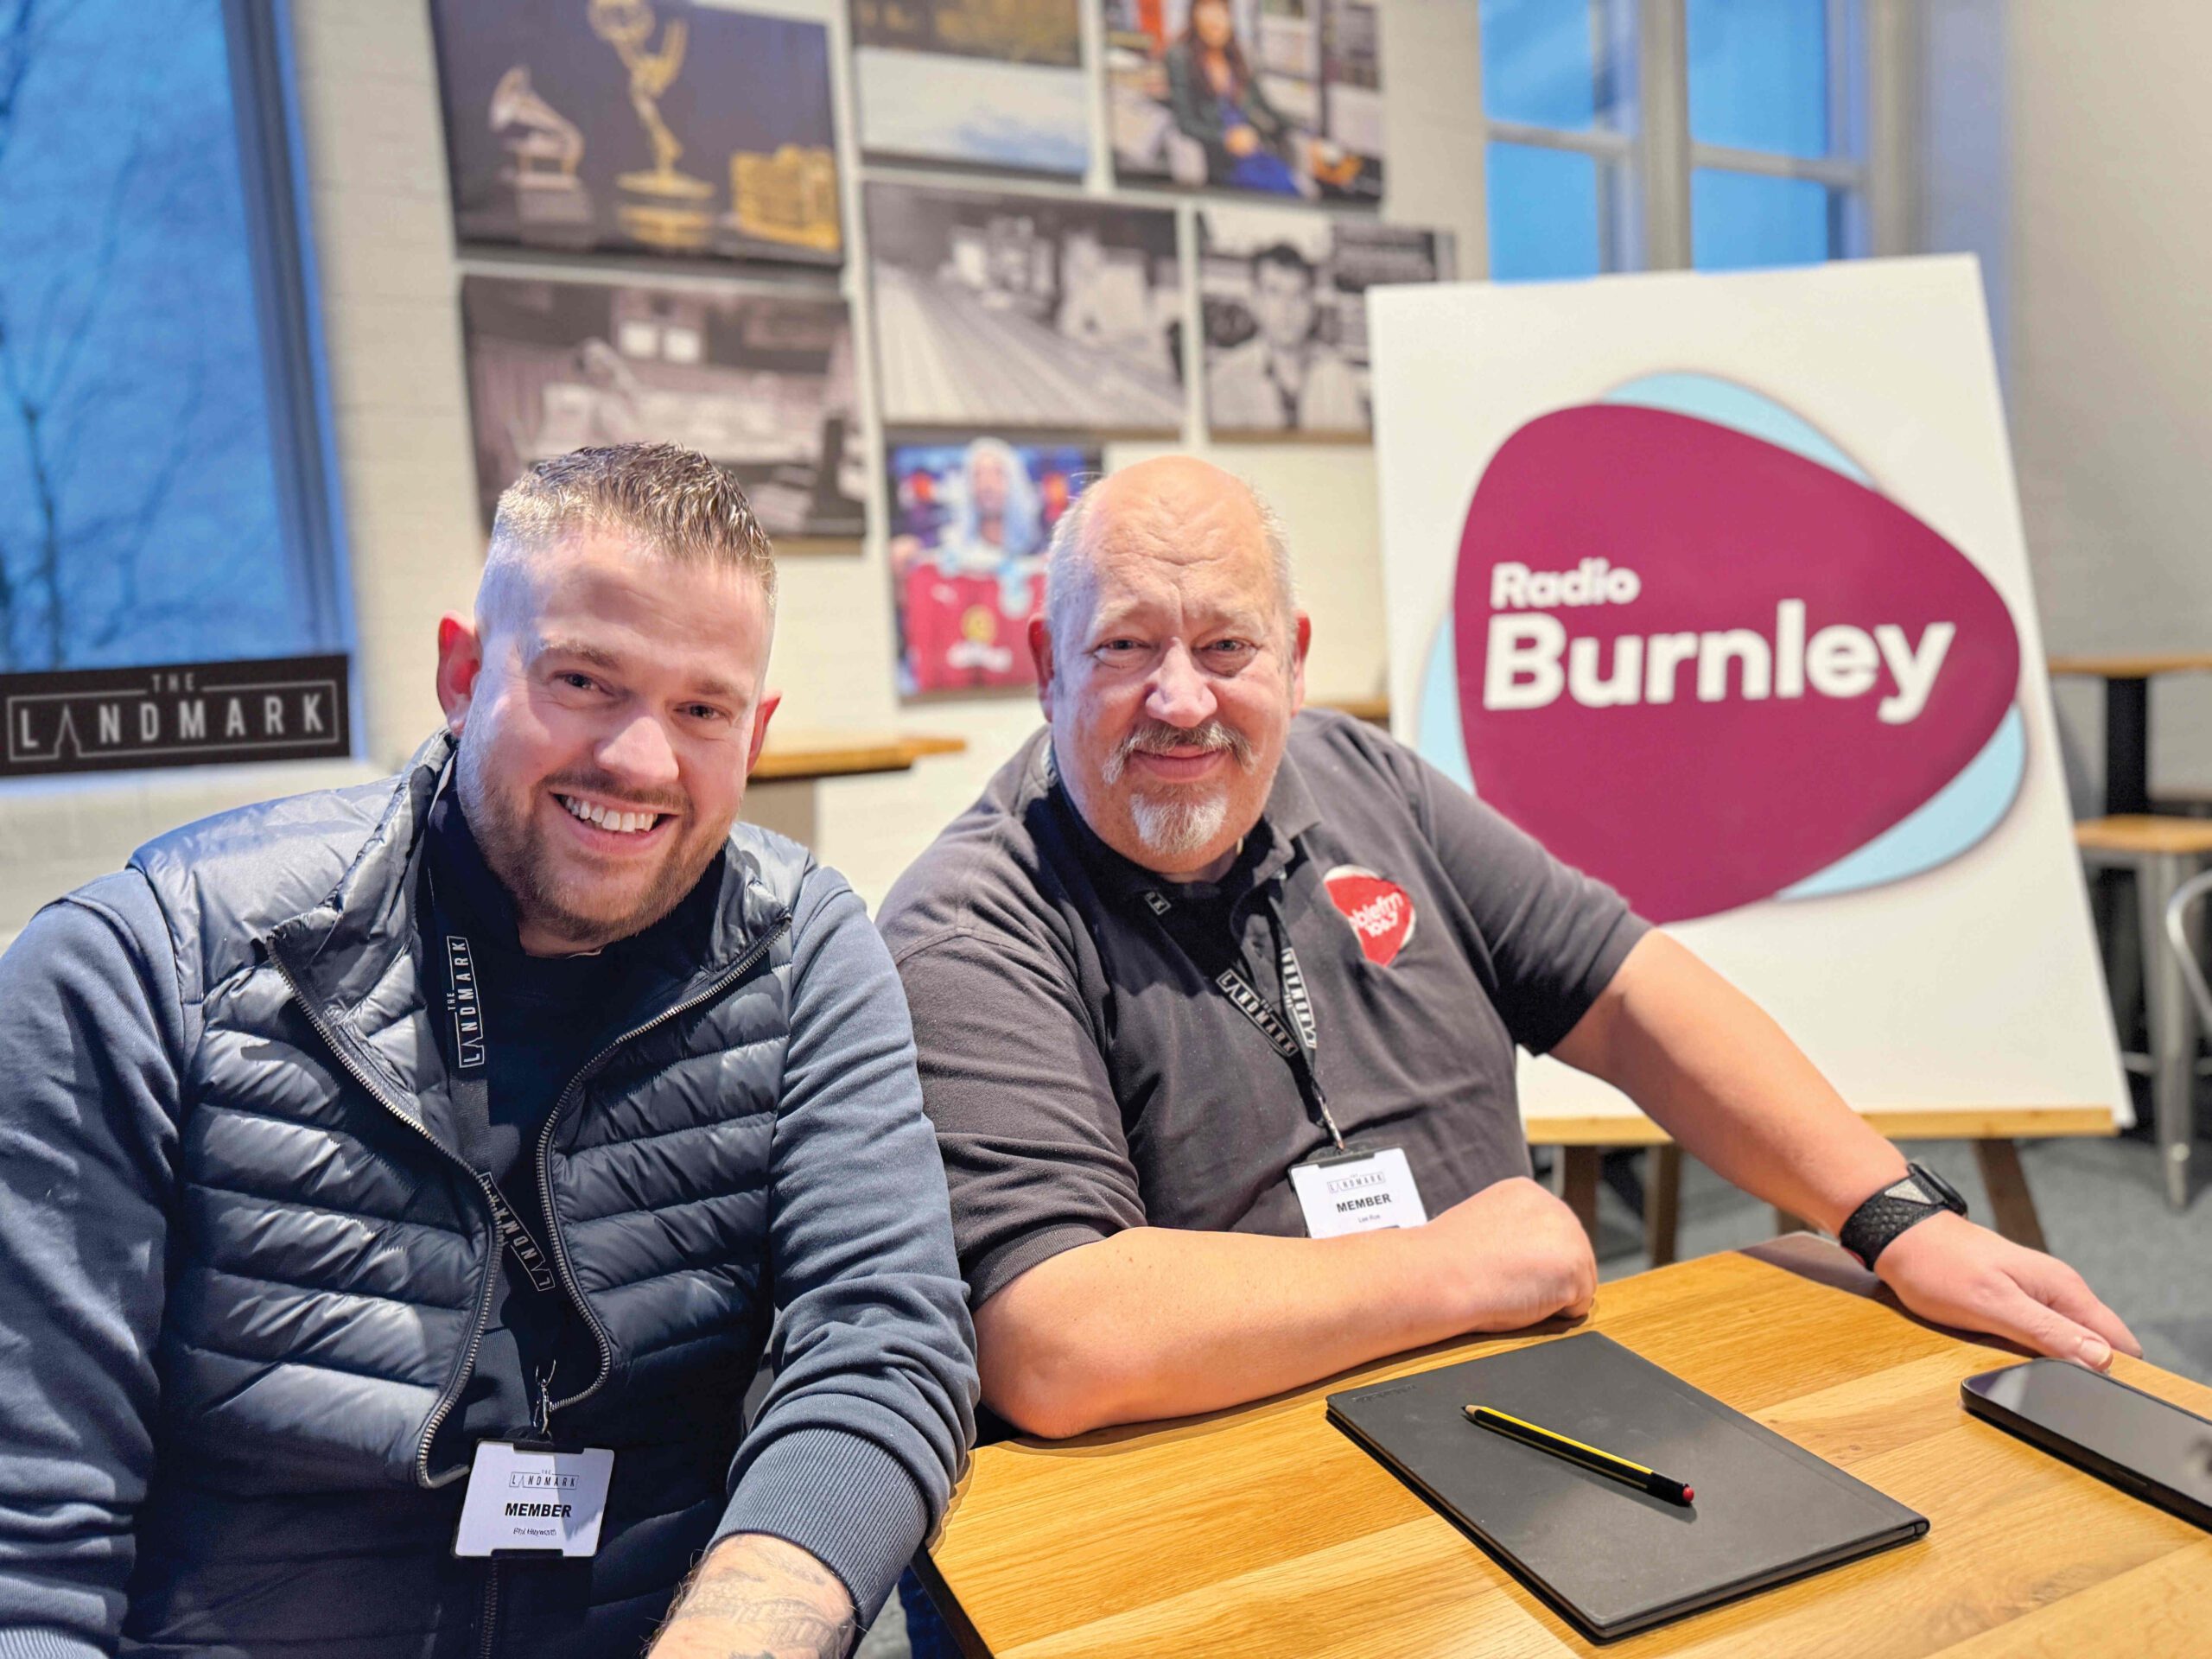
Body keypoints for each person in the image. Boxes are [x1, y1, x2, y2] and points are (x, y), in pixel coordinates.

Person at [874, 454, 2140, 1442]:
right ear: (1046, 665)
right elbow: (1057, 1336)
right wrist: (1453, 1270)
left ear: (1295, 660)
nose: (1182, 699)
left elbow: (1627, 991)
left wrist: (1895, 1217)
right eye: (1124, 646)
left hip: (1521, 1407)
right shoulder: (971, 919)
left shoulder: (1365, 780)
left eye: (1226, 646)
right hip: (1229, 1469)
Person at [0, 443, 976, 1654]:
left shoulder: (803, 949)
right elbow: (28, 1543)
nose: (640, 760)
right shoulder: (142, 969)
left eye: (702, 710)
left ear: (755, 733)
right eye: (583, 680)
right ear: (463, 675)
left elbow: (883, 1346)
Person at [896, 437, 1052, 693]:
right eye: (978, 474)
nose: (987, 484)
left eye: (997, 473)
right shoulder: (945, 558)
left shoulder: (1039, 557)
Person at [1206, 242, 1366, 433]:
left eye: (1298, 295)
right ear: (1254, 302)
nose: (1286, 308)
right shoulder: (1225, 381)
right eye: (1274, 293)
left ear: (1312, 305)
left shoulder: (1338, 378)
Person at [1163, 0, 1300, 194]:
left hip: (1255, 152)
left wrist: (1303, 131)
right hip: (1221, 160)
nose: (1216, 20)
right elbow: (1185, 123)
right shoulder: (1180, 57)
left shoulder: (1238, 59)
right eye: (1207, 13)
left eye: (1222, 13)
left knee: (1287, 187)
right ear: (1194, 19)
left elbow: (1267, 109)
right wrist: (1225, 138)